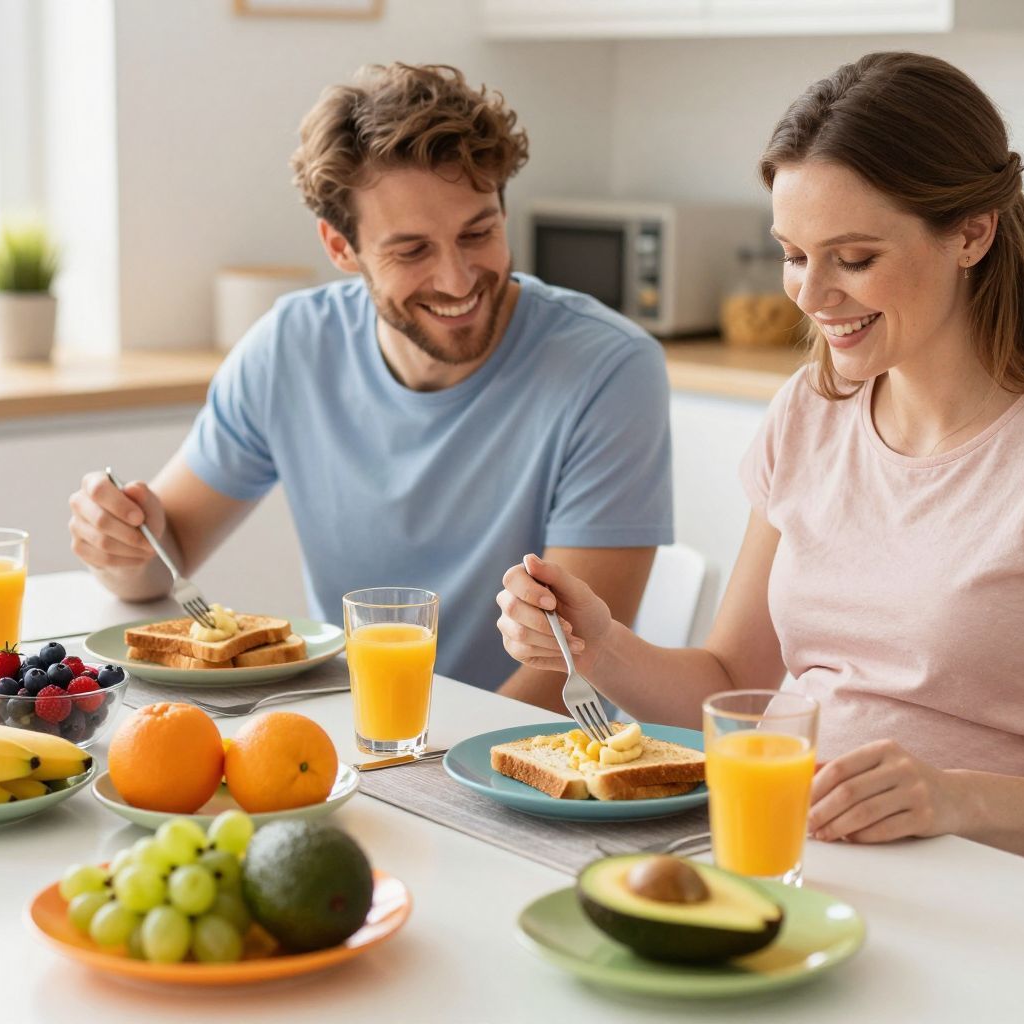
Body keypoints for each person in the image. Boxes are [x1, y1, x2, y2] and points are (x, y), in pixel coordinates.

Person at [495, 52, 1024, 893]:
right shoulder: (812, 411)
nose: (811, 293)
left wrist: (951, 801)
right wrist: (601, 646)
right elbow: (730, 684)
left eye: (854, 258)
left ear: (972, 232)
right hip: (822, 876)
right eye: (794, 254)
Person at [68, 63, 673, 705]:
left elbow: (569, 666)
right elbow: (166, 557)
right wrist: (121, 544)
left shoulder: (608, 368)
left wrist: (418, 774)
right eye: (412, 251)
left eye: (479, 232)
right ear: (340, 247)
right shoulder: (291, 349)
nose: (459, 279)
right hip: (361, 738)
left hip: (518, 758)